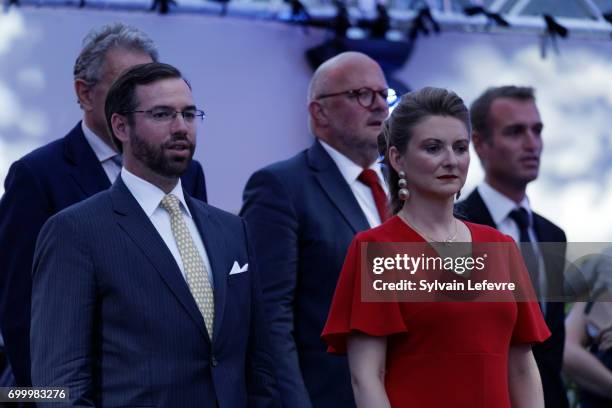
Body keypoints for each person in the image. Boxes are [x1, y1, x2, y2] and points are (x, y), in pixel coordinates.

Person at [30, 62, 278, 407]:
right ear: (121, 126)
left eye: (190, 114)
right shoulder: (75, 231)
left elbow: (261, 365)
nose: (181, 127)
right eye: (162, 114)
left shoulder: (232, 230)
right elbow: (60, 383)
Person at [0, 22, 207, 388]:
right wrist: (49, 398)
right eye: (126, 88)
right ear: (85, 93)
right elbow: (21, 311)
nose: (139, 102)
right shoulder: (37, 176)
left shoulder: (188, 173)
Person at [322, 87, 549, 407]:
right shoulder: (376, 249)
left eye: (460, 148)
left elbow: (523, 368)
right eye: (433, 148)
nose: (451, 160)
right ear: (397, 158)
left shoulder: (501, 246)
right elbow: (366, 377)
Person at [241, 51, 393, 406]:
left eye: (384, 95)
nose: (379, 107)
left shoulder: (404, 188)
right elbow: (268, 317)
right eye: (361, 95)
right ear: (319, 112)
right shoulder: (281, 187)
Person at [456, 85, 568, 407]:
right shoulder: (455, 228)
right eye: (515, 132)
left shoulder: (552, 235)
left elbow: (549, 349)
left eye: (537, 130)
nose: (532, 144)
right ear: (479, 143)